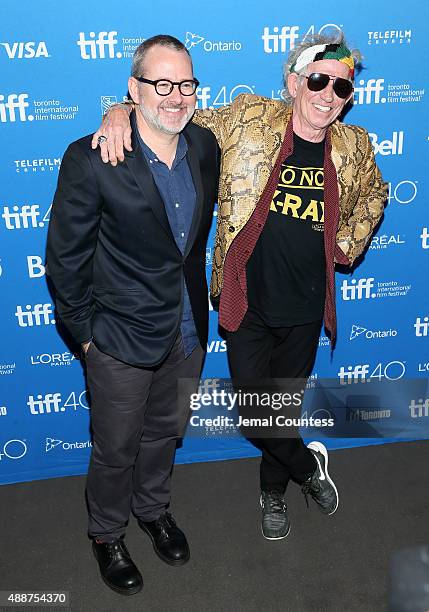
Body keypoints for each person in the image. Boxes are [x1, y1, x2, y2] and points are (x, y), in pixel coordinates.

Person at [95, 32, 387, 542]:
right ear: (294, 82)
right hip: (247, 304)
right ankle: (307, 467)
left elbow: (377, 193)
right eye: (318, 81)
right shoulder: (248, 120)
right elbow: (169, 119)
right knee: (258, 415)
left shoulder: (354, 144)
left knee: (283, 409)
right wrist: (120, 110)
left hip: (305, 308)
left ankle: (272, 493)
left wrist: (347, 245)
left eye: (341, 89)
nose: (327, 96)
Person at [46, 35, 219, 596]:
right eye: (160, 84)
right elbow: (65, 258)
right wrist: (86, 335)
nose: (175, 97)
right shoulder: (92, 157)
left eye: (185, 84)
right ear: (133, 88)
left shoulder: (206, 145)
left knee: (164, 436)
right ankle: (106, 534)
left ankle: (153, 512)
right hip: (118, 336)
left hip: (189, 329)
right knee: (116, 447)